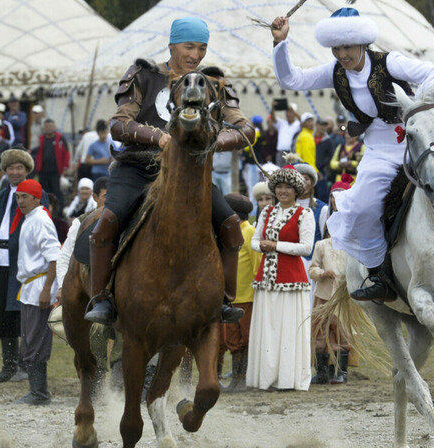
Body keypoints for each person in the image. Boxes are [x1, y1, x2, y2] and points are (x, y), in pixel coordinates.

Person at [270, 9, 434, 302]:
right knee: (362, 207)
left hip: (422, 133)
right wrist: (280, 43)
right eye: (336, 48)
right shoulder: (334, 72)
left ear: (362, 43)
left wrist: (419, 105)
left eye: (347, 47)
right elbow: (292, 80)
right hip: (380, 147)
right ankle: (380, 275)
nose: (341, 54)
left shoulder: (390, 62)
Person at [83, 17, 255, 325]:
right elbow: (119, 124)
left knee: (230, 224)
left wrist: (216, 141)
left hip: (187, 175)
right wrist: (158, 137)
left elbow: (246, 129)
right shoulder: (144, 75)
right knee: (108, 221)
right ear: (172, 45)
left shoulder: (213, 82)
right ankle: (102, 298)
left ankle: (224, 302)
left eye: (202, 48)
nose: (196, 55)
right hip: (138, 169)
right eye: (189, 47)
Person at [0, 149, 47, 383]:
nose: (14, 172)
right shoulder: (4, 194)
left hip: (22, 264)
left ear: (27, 170)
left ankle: (26, 366)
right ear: (5, 171)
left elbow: (41, 224)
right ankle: (8, 366)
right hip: (0, 262)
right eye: (10, 168)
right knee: (3, 315)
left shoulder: (35, 194)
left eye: (19, 168)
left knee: (22, 314)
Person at [247, 165, 315, 391]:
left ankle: (289, 379)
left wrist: (276, 245)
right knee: (267, 327)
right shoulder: (266, 212)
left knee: (289, 328)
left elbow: (306, 248)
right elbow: (254, 241)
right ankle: (266, 378)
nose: (283, 191)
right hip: (266, 278)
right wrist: (264, 247)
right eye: (279, 187)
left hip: (291, 280)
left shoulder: (304, 214)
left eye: (288, 187)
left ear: (296, 190)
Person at [57, 177, 118, 390]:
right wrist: (63, 288)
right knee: (96, 336)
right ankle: (97, 381)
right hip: (93, 289)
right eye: (106, 197)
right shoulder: (82, 221)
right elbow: (66, 256)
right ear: (95, 197)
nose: (112, 200)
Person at [12, 179, 58, 405]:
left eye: (24, 197)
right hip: (30, 287)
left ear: (36, 198)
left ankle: (40, 393)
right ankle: (36, 391)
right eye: (18, 197)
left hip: (40, 286)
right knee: (29, 340)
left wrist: (47, 289)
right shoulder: (29, 219)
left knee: (37, 339)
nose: (20, 201)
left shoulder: (40, 220)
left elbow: (54, 257)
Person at [309, 177, 351, 385]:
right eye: (332, 197)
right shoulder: (322, 245)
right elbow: (313, 267)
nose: (335, 201)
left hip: (342, 295)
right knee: (320, 330)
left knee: (341, 330)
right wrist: (322, 273)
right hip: (323, 295)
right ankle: (322, 370)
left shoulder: (351, 243)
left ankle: (341, 370)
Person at [220, 193, 261, 393]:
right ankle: (236, 378)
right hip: (230, 298)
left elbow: (257, 266)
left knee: (246, 338)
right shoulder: (227, 233)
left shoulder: (250, 232)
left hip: (247, 296)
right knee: (232, 340)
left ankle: (243, 378)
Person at [34, 119, 69, 208]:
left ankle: (59, 212)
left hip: (55, 172)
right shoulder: (41, 139)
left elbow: (66, 153)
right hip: (43, 171)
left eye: (50, 126)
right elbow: (38, 152)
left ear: (54, 127)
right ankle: (45, 209)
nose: (48, 128)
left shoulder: (60, 138)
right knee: (44, 193)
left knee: (57, 192)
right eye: (46, 126)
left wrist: (65, 167)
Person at [269, 102, 301, 166]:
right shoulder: (282, 123)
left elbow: (303, 120)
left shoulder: (298, 124)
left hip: (292, 153)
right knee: (280, 171)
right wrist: (273, 108)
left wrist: (294, 112)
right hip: (281, 152)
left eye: (290, 112)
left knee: (291, 171)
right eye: (287, 112)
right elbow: (273, 118)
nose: (289, 115)